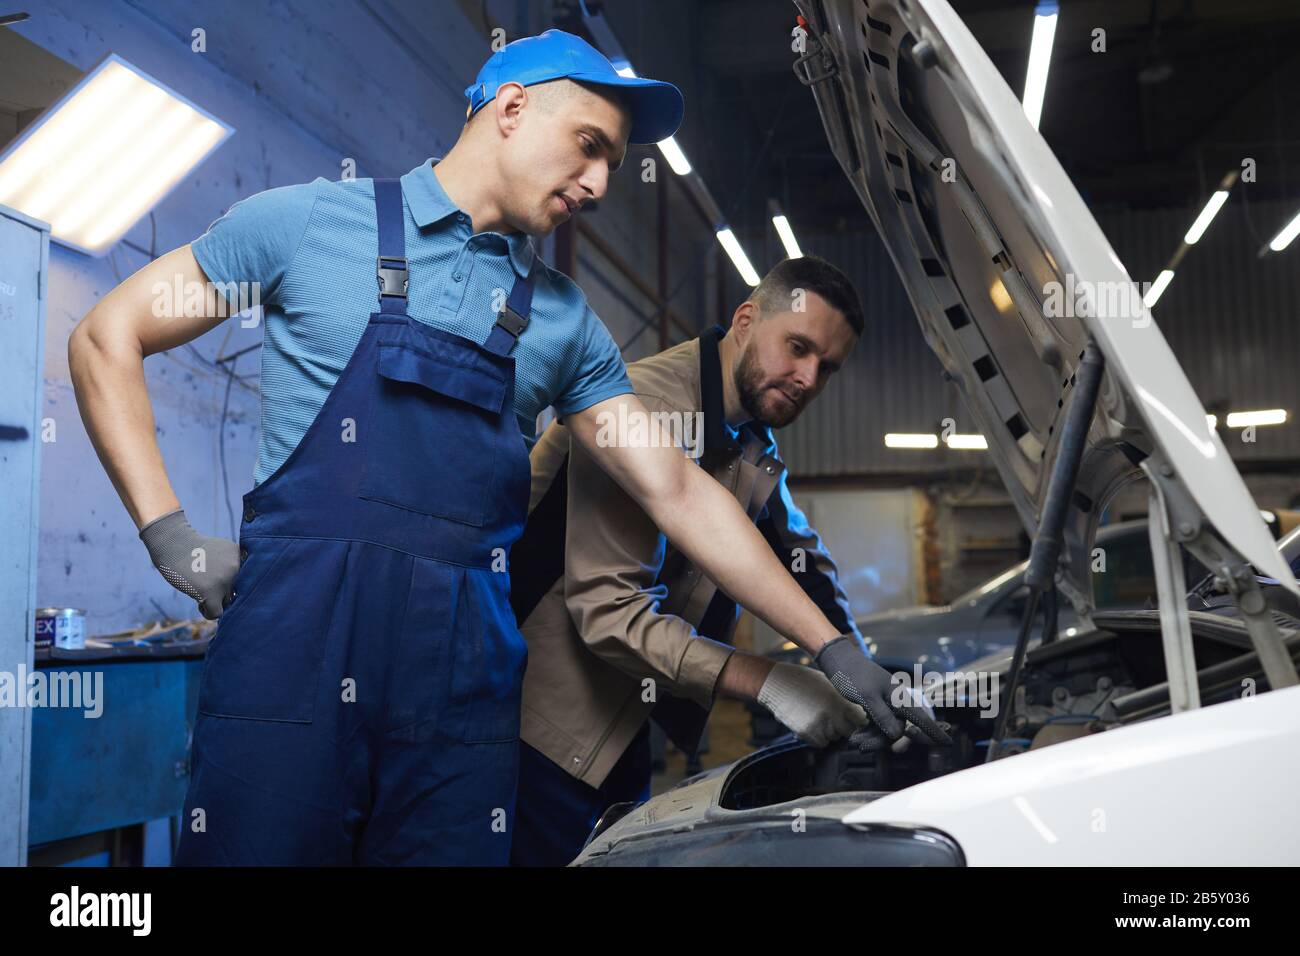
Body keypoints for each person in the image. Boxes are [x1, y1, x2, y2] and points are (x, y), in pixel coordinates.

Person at [69, 31, 937, 867]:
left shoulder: (564, 323)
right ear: (511, 108)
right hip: (291, 671)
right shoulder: (303, 224)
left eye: (611, 162)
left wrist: (830, 647)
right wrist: (170, 537)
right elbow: (109, 334)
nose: (601, 183)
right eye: (589, 146)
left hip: (458, 699)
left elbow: (675, 488)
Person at [508, 256, 946, 866]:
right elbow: (610, 613)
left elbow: (802, 559)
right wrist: (777, 684)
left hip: (621, 721)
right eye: (797, 347)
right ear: (745, 319)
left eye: (827, 368)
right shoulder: (645, 407)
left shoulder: (751, 442)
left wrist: (860, 676)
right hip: (535, 728)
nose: (807, 377)